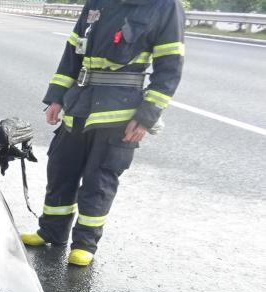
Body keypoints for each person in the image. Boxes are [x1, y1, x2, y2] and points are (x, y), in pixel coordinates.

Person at [21, 0, 185, 266]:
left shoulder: (164, 6)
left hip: (120, 112)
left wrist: (146, 116)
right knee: (61, 170)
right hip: (79, 105)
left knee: (99, 180)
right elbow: (72, 53)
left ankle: (85, 244)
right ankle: (51, 231)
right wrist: (57, 98)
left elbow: (170, 68)